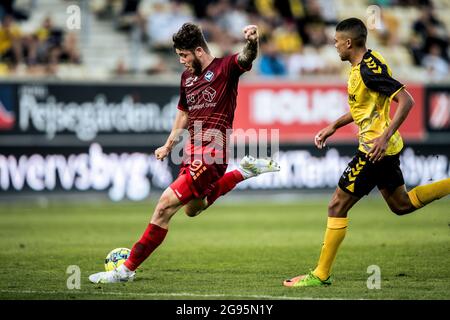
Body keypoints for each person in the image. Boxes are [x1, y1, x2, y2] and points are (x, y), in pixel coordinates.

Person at [89, 22, 280, 283]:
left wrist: (252, 41)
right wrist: (169, 145)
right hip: (191, 152)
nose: (181, 61)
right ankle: (243, 172)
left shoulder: (225, 69)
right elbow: (183, 114)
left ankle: (125, 270)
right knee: (193, 208)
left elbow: (247, 57)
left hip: (213, 153)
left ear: (199, 50)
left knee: (164, 207)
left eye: (184, 55)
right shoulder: (187, 78)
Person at [283, 17, 450, 288]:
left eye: (337, 42)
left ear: (348, 43)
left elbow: (406, 100)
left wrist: (383, 138)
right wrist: (334, 125)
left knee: (336, 205)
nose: (334, 46)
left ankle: (321, 274)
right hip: (386, 147)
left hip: (374, 150)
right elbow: (367, 107)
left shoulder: (367, 72)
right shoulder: (370, 61)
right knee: (401, 205)